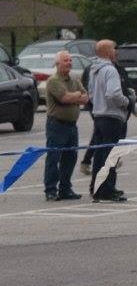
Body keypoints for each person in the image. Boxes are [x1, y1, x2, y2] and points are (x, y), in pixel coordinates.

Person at [86, 39, 133, 202]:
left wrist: (98, 106)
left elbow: (90, 95)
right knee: (111, 154)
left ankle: (97, 187)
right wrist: (127, 102)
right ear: (106, 52)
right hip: (112, 117)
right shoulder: (110, 70)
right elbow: (113, 93)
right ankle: (108, 189)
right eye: (114, 48)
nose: (116, 51)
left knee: (100, 154)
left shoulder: (94, 70)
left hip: (99, 116)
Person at [43, 50, 88, 201]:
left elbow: (86, 98)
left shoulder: (74, 80)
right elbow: (64, 98)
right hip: (56, 125)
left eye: (70, 60)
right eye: (65, 61)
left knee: (70, 158)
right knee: (53, 158)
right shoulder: (54, 80)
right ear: (57, 64)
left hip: (71, 126)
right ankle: (50, 190)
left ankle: (65, 189)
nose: (69, 63)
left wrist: (75, 96)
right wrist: (76, 96)